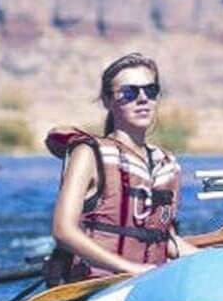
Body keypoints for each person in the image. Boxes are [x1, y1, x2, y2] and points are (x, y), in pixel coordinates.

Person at [43, 52, 198, 285]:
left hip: (149, 282)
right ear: (107, 101)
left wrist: (214, 259)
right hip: (98, 284)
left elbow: (167, 240)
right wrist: (131, 269)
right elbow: (63, 230)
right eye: (129, 92)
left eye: (151, 91)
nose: (143, 98)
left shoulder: (166, 164)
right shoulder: (88, 154)